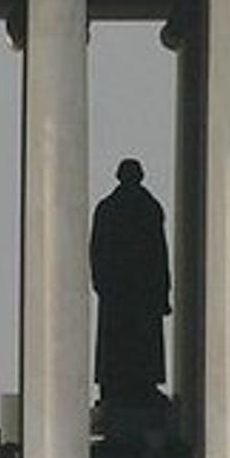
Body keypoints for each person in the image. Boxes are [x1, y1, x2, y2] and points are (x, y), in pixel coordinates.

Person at [89, 157, 171, 405]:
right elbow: (160, 252)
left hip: (123, 291)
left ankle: (122, 386)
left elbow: (96, 250)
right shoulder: (149, 208)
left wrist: (101, 281)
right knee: (136, 341)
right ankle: (137, 385)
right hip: (136, 290)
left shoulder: (110, 208)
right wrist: (163, 289)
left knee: (124, 342)